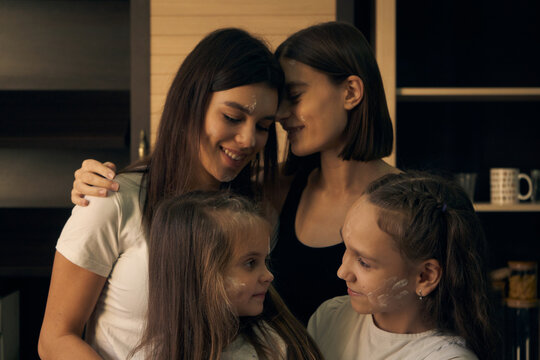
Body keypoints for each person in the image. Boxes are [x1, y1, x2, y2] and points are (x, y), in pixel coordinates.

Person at [69, 21, 399, 324]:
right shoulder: (271, 189)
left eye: (294, 98)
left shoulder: (406, 204)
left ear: (351, 92)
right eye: (233, 117)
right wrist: (97, 184)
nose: (283, 114)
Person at [38, 28, 283, 359]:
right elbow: (55, 339)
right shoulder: (112, 200)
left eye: (263, 126)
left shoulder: (256, 212)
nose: (247, 139)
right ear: (191, 103)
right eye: (232, 117)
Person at [308, 172, 499, 360]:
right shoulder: (330, 318)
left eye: (364, 263)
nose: (342, 272)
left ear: (425, 276)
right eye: (346, 248)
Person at [135, 191, 323, 359]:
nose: (268, 276)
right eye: (250, 263)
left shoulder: (273, 348)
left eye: (265, 261)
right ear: (198, 275)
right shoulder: (152, 353)